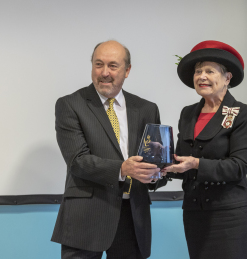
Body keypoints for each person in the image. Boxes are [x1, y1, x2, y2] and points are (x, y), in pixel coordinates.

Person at [51, 40, 167, 259]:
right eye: (98, 64)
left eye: (113, 66)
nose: (105, 72)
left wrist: (156, 174)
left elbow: (156, 162)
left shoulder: (147, 109)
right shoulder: (69, 105)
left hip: (133, 218)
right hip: (87, 217)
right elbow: (77, 160)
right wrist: (123, 169)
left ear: (127, 70)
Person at [162, 40, 247, 259]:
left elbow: (239, 167)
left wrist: (195, 164)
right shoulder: (188, 113)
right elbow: (181, 160)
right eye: (198, 71)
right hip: (195, 213)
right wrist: (161, 168)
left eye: (209, 71)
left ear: (227, 77)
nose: (201, 76)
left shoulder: (242, 113)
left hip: (230, 214)